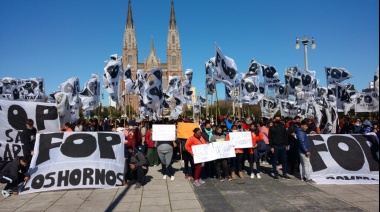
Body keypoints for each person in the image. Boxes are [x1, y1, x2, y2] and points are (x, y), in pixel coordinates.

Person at [269, 115, 291, 180]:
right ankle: (275, 174)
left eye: (279, 119)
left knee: (284, 160)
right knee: (274, 160)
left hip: (283, 145)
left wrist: (286, 145)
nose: (278, 120)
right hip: (275, 146)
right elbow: (270, 138)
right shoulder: (272, 127)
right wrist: (271, 147)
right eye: (276, 119)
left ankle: (284, 173)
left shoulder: (283, 126)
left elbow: (285, 136)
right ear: (274, 119)